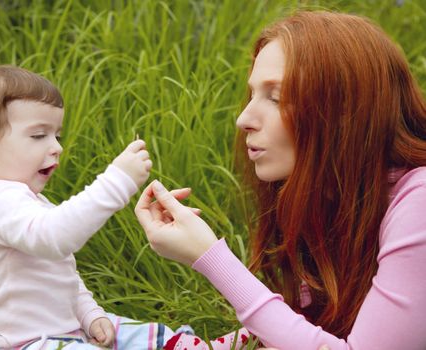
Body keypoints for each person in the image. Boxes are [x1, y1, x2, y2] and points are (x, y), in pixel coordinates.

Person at [136, 10, 426, 350]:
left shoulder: (418, 204)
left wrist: (211, 257)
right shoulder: (338, 192)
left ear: (347, 112)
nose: (243, 118)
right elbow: (315, 327)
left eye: (275, 98)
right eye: (253, 94)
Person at [0, 62, 176, 349]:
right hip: (17, 344)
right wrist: (117, 182)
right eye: (39, 135)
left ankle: (191, 344)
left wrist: (90, 314)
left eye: (57, 135)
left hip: (62, 335)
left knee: (138, 332)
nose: (57, 147)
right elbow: (56, 238)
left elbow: (61, 274)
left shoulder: (29, 201)